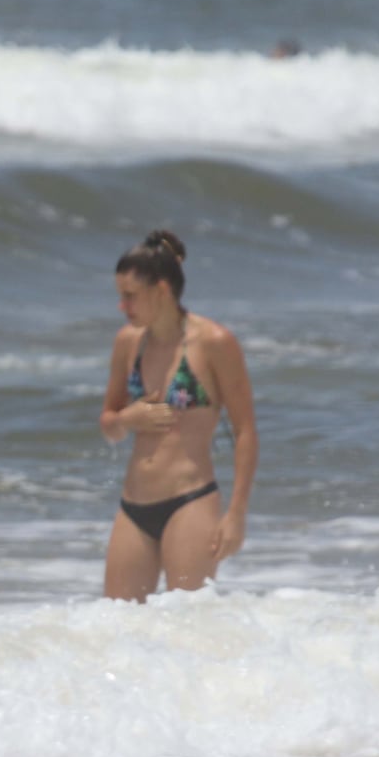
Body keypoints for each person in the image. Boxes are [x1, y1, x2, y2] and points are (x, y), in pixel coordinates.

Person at [98, 230, 259, 602]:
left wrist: (236, 513)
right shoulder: (128, 343)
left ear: (162, 290)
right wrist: (127, 420)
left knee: (187, 625)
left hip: (191, 501)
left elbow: (245, 431)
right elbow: (108, 424)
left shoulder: (214, 343)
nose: (122, 306)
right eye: (120, 296)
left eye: (130, 296)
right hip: (133, 506)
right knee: (115, 626)